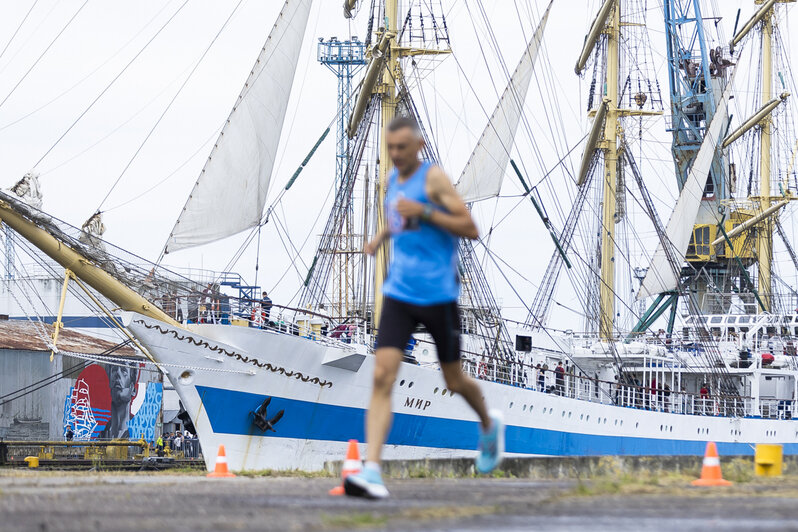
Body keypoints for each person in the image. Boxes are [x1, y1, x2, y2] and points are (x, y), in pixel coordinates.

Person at [344, 117, 503, 499]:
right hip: (399, 291)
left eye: (402, 148)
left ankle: (488, 424)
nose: (395, 155)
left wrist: (426, 211)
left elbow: (469, 227)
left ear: (418, 146)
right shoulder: (391, 180)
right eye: (390, 148)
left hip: (438, 296)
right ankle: (373, 472)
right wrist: (379, 237)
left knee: (453, 380)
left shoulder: (434, 180)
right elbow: (399, 221)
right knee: (382, 377)